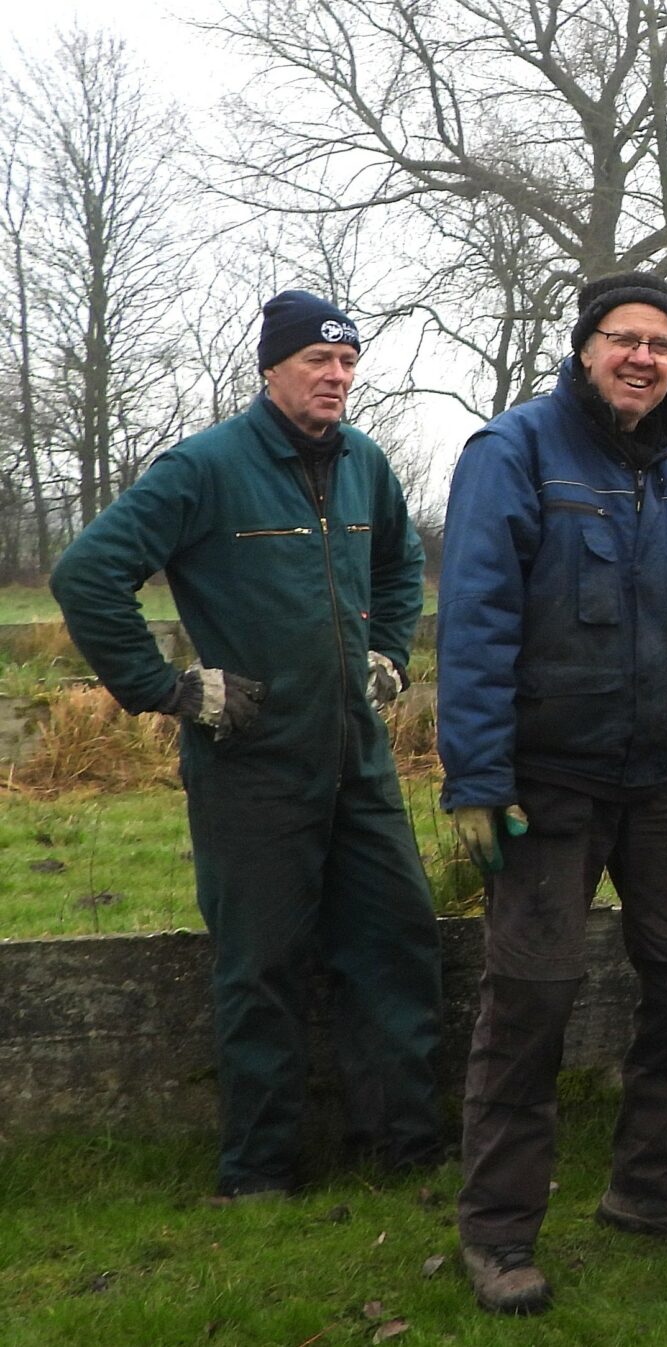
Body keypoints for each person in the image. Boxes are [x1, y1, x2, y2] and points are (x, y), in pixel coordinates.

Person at [51, 291, 442, 1202]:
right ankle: (258, 1173)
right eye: (317, 361)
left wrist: (388, 647)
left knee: (396, 942)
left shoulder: (366, 465)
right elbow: (88, 573)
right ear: (271, 369)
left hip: (359, 758)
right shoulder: (207, 467)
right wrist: (171, 688)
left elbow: (400, 559)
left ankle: (405, 1146)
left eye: (347, 363)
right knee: (260, 967)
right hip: (252, 764)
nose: (335, 377)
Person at [437, 271, 667, 1315]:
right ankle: (497, 1234)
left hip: (664, 777)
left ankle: (651, 1188)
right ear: (586, 348)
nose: (645, 359)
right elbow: (476, 619)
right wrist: (476, 779)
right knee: (532, 998)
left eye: (664, 346)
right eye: (626, 339)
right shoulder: (514, 452)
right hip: (548, 781)